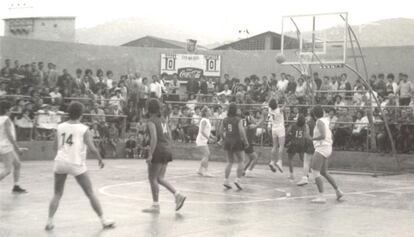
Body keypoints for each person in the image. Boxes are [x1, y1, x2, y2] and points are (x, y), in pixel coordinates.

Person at [45, 102, 115, 230]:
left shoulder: (60, 126)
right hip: (76, 163)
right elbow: (92, 148)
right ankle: (103, 220)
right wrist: (100, 159)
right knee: (90, 193)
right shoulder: (84, 129)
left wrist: (60, 157)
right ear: (81, 114)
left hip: (60, 162)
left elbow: (55, 147)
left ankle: (49, 221)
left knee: (57, 193)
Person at [142, 99, 186, 213]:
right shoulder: (163, 120)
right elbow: (170, 136)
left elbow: (154, 138)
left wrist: (150, 154)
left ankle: (155, 205)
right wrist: (168, 147)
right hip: (166, 149)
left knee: (152, 178)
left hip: (158, 150)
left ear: (148, 108)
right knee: (160, 178)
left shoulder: (151, 121)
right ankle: (178, 195)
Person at [310, 106, 343, 203]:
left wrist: (311, 139)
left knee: (315, 171)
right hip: (327, 147)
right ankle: (338, 191)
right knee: (324, 172)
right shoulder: (325, 120)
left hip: (322, 148)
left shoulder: (319, 122)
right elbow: (330, 134)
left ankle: (321, 196)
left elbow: (323, 135)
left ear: (315, 115)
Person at [0, 101, 28, 193]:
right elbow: (9, 136)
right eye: (10, 108)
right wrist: (17, 148)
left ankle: (16, 186)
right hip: (6, 146)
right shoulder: (6, 119)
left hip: (5, 145)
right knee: (7, 170)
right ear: (6, 110)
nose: (12, 110)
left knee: (17, 164)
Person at [220, 103, 249, 190]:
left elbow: (220, 131)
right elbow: (241, 131)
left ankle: (226, 180)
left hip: (228, 141)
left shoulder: (224, 120)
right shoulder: (238, 119)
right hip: (237, 141)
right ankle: (238, 180)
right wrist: (245, 141)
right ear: (235, 110)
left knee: (229, 161)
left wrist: (223, 139)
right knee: (241, 160)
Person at [286, 115, 314, 182]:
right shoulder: (305, 126)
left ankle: (291, 175)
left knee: (290, 159)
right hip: (302, 144)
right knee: (304, 160)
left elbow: (287, 132)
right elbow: (307, 134)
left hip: (294, 143)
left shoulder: (293, 125)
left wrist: (291, 135)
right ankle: (309, 173)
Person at [243, 110, 265, 177]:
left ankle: (243, 170)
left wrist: (263, 117)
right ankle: (249, 172)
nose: (253, 118)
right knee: (255, 158)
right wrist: (263, 117)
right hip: (248, 144)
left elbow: (258, 123)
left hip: (248, 144)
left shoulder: (250, 125)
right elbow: (258, 124)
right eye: (252, 118)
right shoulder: (250, 126)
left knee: (251, 159)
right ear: (250, 121)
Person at [196, 106, 216, 177]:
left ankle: (200, 170)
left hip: (203, 140)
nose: (210, 112)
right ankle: (206, 171)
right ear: (206, 112)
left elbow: (207, 131)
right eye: (209, 110)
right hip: (201, 140)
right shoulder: (204, 120)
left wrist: (212, 136)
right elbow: (202, 131)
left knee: (206, 155)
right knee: (207, 154)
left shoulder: (207, 120)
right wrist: (209, 138)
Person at [268, 97, 287, 173]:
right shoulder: (279, 110)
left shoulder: (270, 110)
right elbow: (285, 104)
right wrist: (285, 99)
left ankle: (272, 161)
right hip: (280, 128)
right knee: (281, 146)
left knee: (274, 146)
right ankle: (279, 161)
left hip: (274, 128)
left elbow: (271, 103)